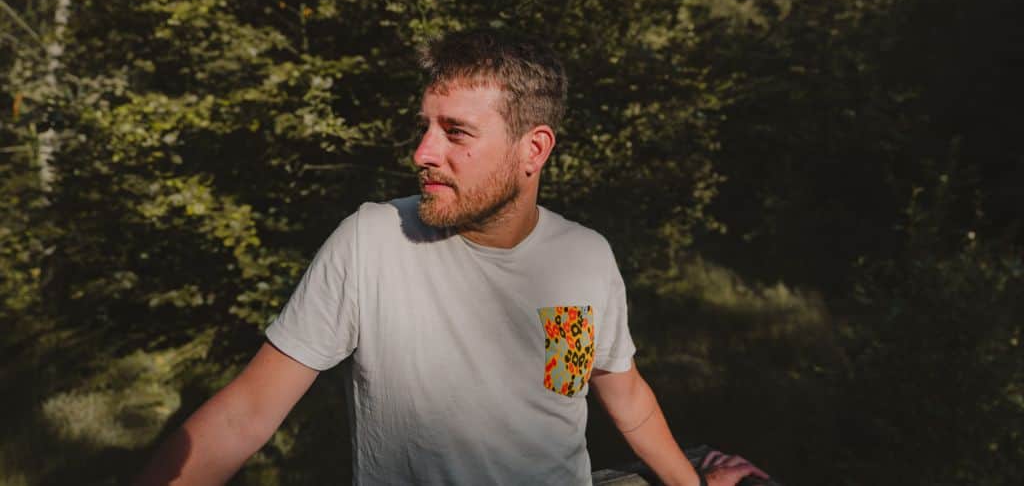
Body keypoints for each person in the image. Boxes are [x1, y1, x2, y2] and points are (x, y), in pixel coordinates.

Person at [134, 31, 769, 485]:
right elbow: (244, 416)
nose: (422, 151)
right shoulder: (374, 242)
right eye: (426, 126)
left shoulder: (583, 258)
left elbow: (619, 396)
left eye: (456, 132)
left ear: (534, 150)